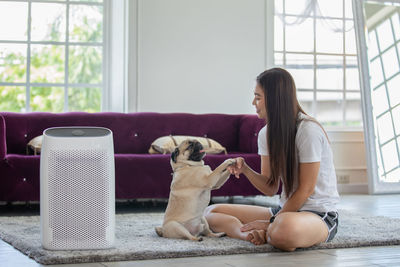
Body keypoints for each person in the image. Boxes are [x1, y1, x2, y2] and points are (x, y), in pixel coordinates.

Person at [204, 68, 339, 251]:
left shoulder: (308, 131)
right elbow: (270, 188)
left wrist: (274, 221)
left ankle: (271, 229)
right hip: (284, 211)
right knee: (210, 212)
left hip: (317, 214)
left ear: (275, 99)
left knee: (284, 230)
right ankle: (248, 235)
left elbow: (305, 189)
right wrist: (246, 170)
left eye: (258, 97)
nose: (253, 102)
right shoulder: (266, 134)